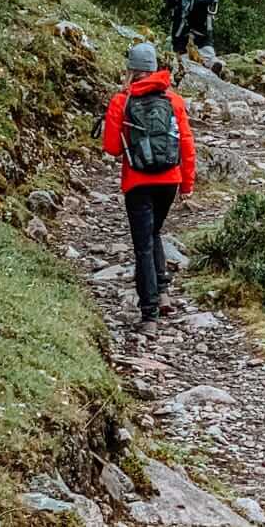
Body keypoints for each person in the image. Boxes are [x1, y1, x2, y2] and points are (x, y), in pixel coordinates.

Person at [102, 40, 196, 335]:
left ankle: (150, 316)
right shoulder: (174, 100)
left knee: (143, 245)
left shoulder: (122, 101)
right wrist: (187, 184)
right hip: (170, 180)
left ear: (131, 70)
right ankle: (164, 292)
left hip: (138, 182)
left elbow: (112, 147)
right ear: (155, 69)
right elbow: (186, 144)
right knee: (155, 232)